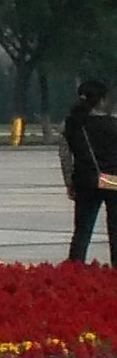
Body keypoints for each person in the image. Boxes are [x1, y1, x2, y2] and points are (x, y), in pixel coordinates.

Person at [66, 81, 116, 264]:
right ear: (102, 101)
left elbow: (65, 156)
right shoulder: (113, 124)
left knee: (82, 231)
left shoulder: (73, 124)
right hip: (112, 180)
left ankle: (74, 269)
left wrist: (70, 182)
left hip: (85, 180)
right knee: (115, 229)